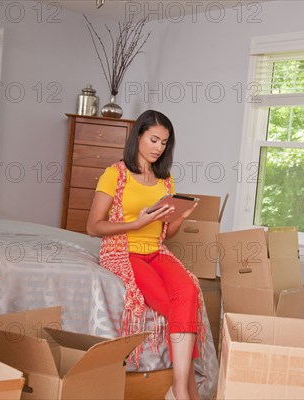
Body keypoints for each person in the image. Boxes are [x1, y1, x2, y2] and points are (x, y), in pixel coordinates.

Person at [86, 110, 204, 400]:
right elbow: (93, 227)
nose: (158, 147)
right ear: (138, 135)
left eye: (164, 143)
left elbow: (168, 233)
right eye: (153, 139)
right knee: (172, 304)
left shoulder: (166, 180)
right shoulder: (115, 174)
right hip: (125, 251)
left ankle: (178, 389)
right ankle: (183, 390)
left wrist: (182, 216)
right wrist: (136, 223)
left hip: (156, 252)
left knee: (188, 292)